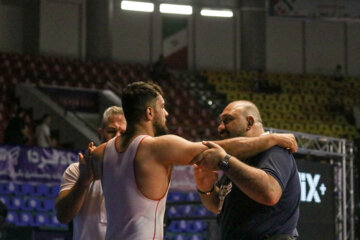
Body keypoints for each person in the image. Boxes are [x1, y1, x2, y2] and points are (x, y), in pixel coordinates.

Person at [89, 81, 298, 240]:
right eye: (163, 107)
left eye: (227, 120)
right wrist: (270, 138)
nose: (167, 112)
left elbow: (269, 193)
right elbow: (207, 151)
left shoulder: (100, 153)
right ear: (150, 112)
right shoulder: (156, 147)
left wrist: (211, 182)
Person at [193, 101, 300, 240]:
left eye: (227, 120)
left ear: (249, 122)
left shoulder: (275, 150)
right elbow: (218, 205)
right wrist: (206, 188)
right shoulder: (237, 159)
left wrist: (224, 161)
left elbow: (269, 193)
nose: (220, 128)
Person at [55, 106, 127, 240]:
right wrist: (84, 180)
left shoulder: (134, 173)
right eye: (111, 131)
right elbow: (63, 216)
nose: (117, 137)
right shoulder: (76, 170)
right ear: (100, 133)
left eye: (123, 133)